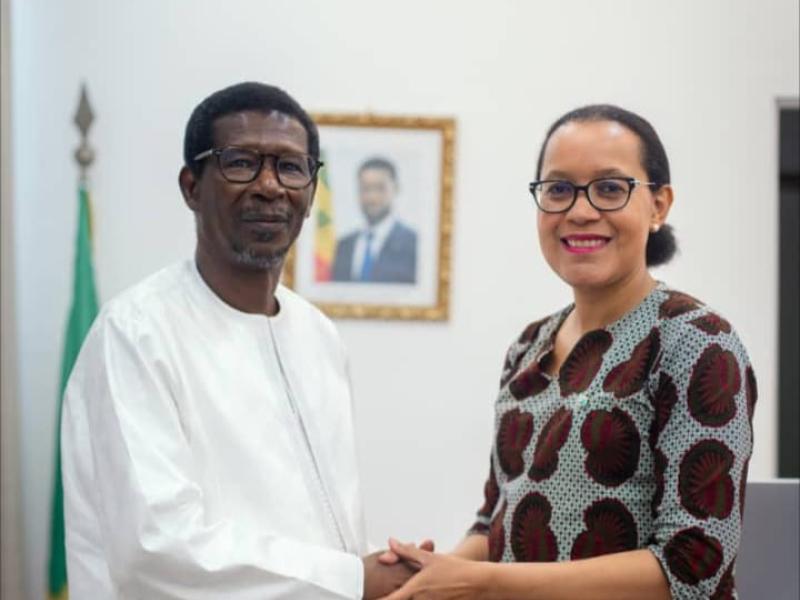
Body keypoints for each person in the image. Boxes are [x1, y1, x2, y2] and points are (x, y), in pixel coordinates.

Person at [60, 82, 420, 599]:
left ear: (312, 191)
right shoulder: (136, 333)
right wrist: (356, 579)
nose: (270, 186)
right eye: (241, 163)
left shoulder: (318, 335)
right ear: (191, 186)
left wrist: (384, 570)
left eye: (291, 167)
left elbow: (328, 521)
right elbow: (155, 548)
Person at [381, 105, 756, 599]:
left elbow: (692, 565)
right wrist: (432, 571)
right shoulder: (528, 347)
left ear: (659, 206)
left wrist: (484, 583)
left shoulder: (696, 341)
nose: (580, 211)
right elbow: (495, 521)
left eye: (609, 188)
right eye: (558, 189)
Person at [332, 157, 417, 284]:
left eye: (380, 188)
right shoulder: (344, 245)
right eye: (365, 189)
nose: (372, 197)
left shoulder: (413, 243)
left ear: (396, 189)